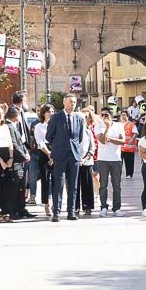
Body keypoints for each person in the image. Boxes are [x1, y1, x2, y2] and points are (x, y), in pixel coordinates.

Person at [45, 94, 86, 222]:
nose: (72, 104)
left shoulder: (79, 118)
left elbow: (79, 137)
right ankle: (56, 212)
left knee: (73, 185)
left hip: (74, 156)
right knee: (59, 184)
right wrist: (58, 145)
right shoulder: (56, 118)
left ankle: (71, 212)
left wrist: (76, 150)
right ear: (64, 102)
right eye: (70, 102)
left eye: (74, 102)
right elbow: (49, 136)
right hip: (60, 155)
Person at [94, 109, 125, 216]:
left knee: (116, 185)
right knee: (103, 185)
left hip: (116, 159)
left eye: (106, 114)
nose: (104, 116)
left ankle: (117, 208)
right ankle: (103, 207)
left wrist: (109, 139)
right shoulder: (98, 126)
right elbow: (102, 141)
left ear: (111, 115)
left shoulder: (119, 125)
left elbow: (123, 141)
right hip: (103, 159)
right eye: (102, 115)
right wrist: (107, 128)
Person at [6, 106, 32, 220]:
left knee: (21, 187)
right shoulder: (8, 126)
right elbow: (14, 144)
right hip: (16, 161)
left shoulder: (13, 126)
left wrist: (26, 152)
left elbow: (21, 142)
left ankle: (21, 209)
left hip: (21, 161)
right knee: (14, 188)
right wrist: (23, 155)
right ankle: (13, 211)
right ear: (16, 116)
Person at [33, 104, 54, 217]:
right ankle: (46, 203)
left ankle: (55, 203)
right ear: (43, 113)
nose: (51, 113)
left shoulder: (56, 125)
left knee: (56, 179)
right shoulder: (39, 126)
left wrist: (54, 154)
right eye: (48, 111)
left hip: (55, 152)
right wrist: (49, 154)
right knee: (45, 180)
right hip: (44, 152)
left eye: (52, 111)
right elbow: (39, 142)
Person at [78, 110, 97, 215]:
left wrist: (85, 158)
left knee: (87, 184)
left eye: (83, 119)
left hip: (86, 161)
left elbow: (92, 147)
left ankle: (87, 206)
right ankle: (75, 206)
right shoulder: (71, 132)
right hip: (75, 162)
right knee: (75, 185)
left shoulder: (88, 132)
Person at [120, 112, 137, 178]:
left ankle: (129, 174)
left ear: (127, 116)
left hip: (129, 147)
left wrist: (132, 139)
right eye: (122, 115)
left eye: (125, 115)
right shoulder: (119, 124)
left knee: (129, 162)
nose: (123, 116)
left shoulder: (131, 124)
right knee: (119, 162)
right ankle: (118, 173)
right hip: (120, 147)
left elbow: (135, 133)